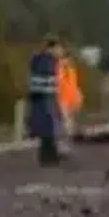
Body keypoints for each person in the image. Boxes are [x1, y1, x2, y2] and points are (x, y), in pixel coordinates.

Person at [27, 36, 64, 166]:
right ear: (52, 48)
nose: (61, 52)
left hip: (42, 100)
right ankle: (49, 157)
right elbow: (47, 85)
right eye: (59, 48)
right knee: (49, 130)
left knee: (47, 131)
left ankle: (48, 157)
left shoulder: (42, 61)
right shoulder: (47, 62)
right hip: (45, 100)